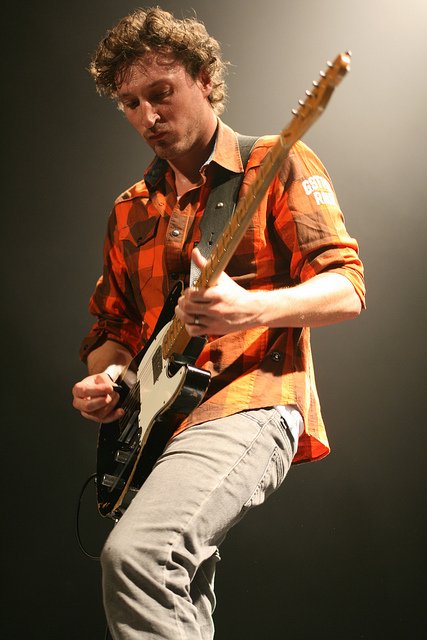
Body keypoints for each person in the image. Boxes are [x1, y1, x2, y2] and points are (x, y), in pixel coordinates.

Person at [72, 7, 365, 640]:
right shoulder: (130, 210)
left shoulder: (278, 161)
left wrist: (251, 308)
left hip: (250, 399)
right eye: (130, 103)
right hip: (161, 425)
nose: (148, 116)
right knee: (173, 588)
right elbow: (110, 329)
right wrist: (109, 378)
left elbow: (347, 288)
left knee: (139, 557)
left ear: (204, 79)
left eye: (161, 92)